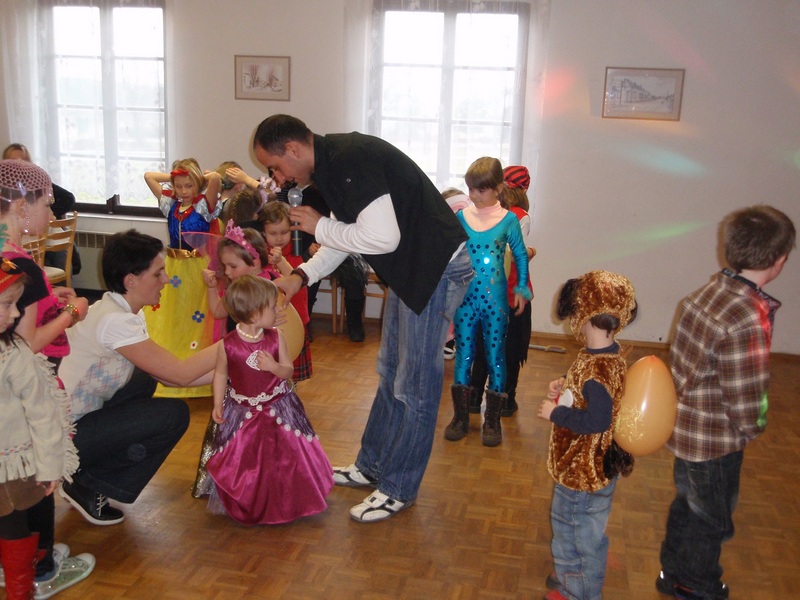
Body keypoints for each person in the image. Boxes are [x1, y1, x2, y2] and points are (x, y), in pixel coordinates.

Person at [252, 114, 472, 523]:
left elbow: (381, 238)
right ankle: (372, 466)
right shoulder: (331, 167)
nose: (277, 178)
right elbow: (347, 235)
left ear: (293, 149)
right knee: (390, 372)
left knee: (415, 387)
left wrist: (320, 226)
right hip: (411, 269)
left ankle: (399, 488)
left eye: (275, 166)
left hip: (435, 269)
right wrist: (301, 277)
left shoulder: (349, 160)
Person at [657, 206, 795, 600]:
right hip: (716, 442)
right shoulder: (746, 317)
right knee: (712, 518)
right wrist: (754, 426)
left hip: (686, 431)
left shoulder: (703, 295)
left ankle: (672, 572)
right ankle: (696, 585)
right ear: (779, 260)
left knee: (687, 505)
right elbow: (745, 393)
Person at [57, 230, 218, 526]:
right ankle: (88, 483)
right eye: (158, 273)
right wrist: (238, 341)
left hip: (79, 423)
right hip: (63, 439)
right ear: (131, 280)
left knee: (146, 377)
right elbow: (180, 375)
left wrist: (232, 375)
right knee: (173, 415)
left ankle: (85, 476)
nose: (166, 279)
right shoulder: (115, 322)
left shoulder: (118, 308)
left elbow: (170, 378)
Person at [0, 159, 91, 592]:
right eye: (47, 204)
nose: (51, 214)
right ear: (22, 206)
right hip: (26, 388)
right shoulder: (25, 267)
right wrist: (73, 311)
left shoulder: (6, 254)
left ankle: (22, 561)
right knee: (34, 474)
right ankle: (40, 568)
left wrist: (53, 301)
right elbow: (27, 342)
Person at [537, 270, 638, 600]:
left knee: (575, 532)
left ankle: (577, 590)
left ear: (583, 313)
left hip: (582, 473)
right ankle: (572, 573)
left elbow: (597, 420)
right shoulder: (607, 355)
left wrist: (556, 413)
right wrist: (565, 382)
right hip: (592, 467)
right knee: (582, 532)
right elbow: (591, 388)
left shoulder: (597, 371)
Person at [201, 275, 333, 524]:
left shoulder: (276, 337)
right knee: (248, 461)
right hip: (242, 413)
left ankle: (289, 500)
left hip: (278, 409)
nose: (277, 310)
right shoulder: (228, 345)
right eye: (272, 307)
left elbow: (288, 371)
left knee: (285, 457)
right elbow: (221, 374)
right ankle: (253, 501)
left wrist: (274, 367)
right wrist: (218, 403)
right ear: (254, 314)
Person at [443, 157, 531, 447]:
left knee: (495, 357)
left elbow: (520, 255)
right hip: (466, 300)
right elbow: (450, 254)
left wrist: (521, 289)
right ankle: (460, 417)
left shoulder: (509, 221)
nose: (474, 195)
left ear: (498, 189)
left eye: (481, 190)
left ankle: (492, 421)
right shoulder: (461, 217)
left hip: (495, 303)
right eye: (471, 189)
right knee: (464, 355)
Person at [191, 221, 278, 499]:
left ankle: (262, 482)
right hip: (237, 371)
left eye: (232, 266)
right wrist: (210, 287)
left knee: (262, 431)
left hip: (263, 378)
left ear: (254, 262)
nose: (226, 272)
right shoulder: (236, 287)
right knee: (230, 425)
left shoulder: (269, 289)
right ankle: (227, 482)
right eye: (224, 266)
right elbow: (218, 311)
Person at [143, 159, 221, 398]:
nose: (184, 191)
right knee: (173, 312)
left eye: (189, 185)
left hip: (197, 267)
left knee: (195, 312)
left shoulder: (203, 206)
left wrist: (200, 177)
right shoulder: (170, 204)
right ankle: (171, 363)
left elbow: (216, 178)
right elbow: (148, 176)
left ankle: (195, 367)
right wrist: (173, 177)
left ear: (197, 184)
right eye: (179, 186)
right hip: (173, 265)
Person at [468, 165, 536, 417]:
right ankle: (505, 400)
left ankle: (474, 398)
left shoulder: (482, 214)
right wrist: (531, 252)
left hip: (484, 293)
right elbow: (514, 254)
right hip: (511, 294)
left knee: (482, 346)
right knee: (510, 350)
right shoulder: (520, 216)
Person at [296, 183, 370, 342]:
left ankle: (355, 324)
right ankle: (305, 321)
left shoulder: (346, 194)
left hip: (344, 247)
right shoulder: (309, 194)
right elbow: (303, 226)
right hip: (315, 246)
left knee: (355, 275)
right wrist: (309, 245)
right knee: (307, 273)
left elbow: (350, 230)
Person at [2, 143, 81, 276]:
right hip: (15, 247)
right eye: (14, 161)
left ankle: (61, 280)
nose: (19, 165)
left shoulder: (37, 184)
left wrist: (43, 213)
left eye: (23, 161)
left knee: (59, 251)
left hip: (38, 243)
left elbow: (68, 198)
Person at [258, 200, 313, 380]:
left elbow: (295, 280)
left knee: (291, 372)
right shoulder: (260, 255)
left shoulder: (295, 253)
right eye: (273, 233)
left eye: (284, 232)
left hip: (293, 320)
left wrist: (281, 261)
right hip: (270, 321)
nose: (279, 238)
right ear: (263, 233)